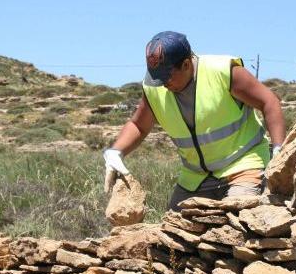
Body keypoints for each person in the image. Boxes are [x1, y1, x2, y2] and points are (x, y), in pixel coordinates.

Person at [103, 31, 285, 211]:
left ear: (186, 64)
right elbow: (138, 125)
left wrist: (279, 150)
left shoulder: (223, 72)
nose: (162, 83)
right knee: (172, 233)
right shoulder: (154, 88)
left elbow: (268, 102)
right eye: (156, 77)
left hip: (243, 166)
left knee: (237, 221)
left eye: (167, 76)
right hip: (196, 177)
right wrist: (116, 152)